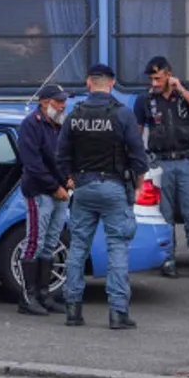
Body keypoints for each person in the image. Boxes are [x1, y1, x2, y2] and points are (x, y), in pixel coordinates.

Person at [56, 63, 150, 330]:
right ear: (111, 84)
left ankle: (73, 311)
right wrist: (139, 184)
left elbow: (61, 154)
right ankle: (118, 313)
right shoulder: (122, 114)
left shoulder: (75, 115)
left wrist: (69, 179)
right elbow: (137, 155)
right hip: (113, 186)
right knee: (117, 248)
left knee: (77, 249)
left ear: (88, 83)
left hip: (84, 188)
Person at [134, 56, 189, 281]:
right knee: (164, 217)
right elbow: (136, 133)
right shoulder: (144, 100)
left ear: (169, 74)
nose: (155, 83)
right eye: (152, 79)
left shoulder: (184, 91)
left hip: (186, 162)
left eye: (158, 78)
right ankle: (167, 260)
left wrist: (181, 89)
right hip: (160, 164)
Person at [15, 84, 71, 316]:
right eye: (58, 101)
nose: (63, 105)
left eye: (63, 101)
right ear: (44, 102)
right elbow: (33, 164)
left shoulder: (58, 125)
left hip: (59, 192)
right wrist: (55, 186)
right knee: (34, 243)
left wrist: (69, 178)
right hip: (40, 192)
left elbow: (65, 155)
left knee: (50, 242)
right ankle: (28, 298)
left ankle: (44, 295)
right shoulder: (31, 125)